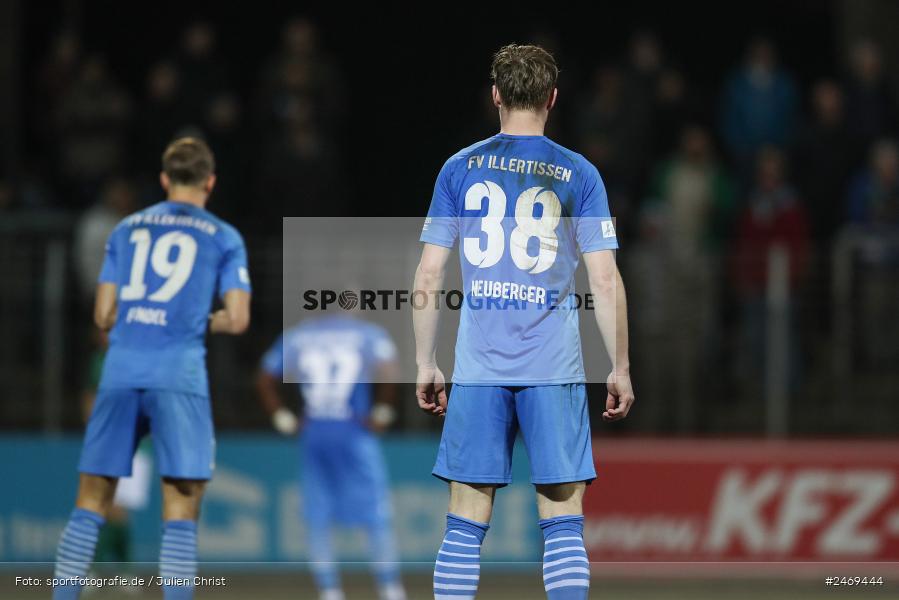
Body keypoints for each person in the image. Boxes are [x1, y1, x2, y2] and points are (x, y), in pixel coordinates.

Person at [413, 44, 635, 600]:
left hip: (478, 368)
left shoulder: (458, 168)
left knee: (465, 521)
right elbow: (605, 281)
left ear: (495, 96)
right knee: (562, 519)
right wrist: (621, 367)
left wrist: (425, 362)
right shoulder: (579, 174)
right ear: (552, 99)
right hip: (553, 368)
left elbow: (428, 276)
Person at [51, 137, 252, 600]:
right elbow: (238, 318)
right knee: (180, 508)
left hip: (120, 370)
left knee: (90, 502)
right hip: (179, 376)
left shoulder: (125, 229)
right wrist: (197, 318)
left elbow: (103, 315)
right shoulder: (223, 235)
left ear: (164, 179)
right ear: (211, 182)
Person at [256, 315, 406, 600]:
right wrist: (383, 410)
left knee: (318, 517)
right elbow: (389, 369)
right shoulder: (367, 332)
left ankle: (329, 590)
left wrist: (281, 416)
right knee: (375, 513)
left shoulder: (298, 336)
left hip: (315, 432)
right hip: (354, 432)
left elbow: (264, 378)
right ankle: (390, 588)